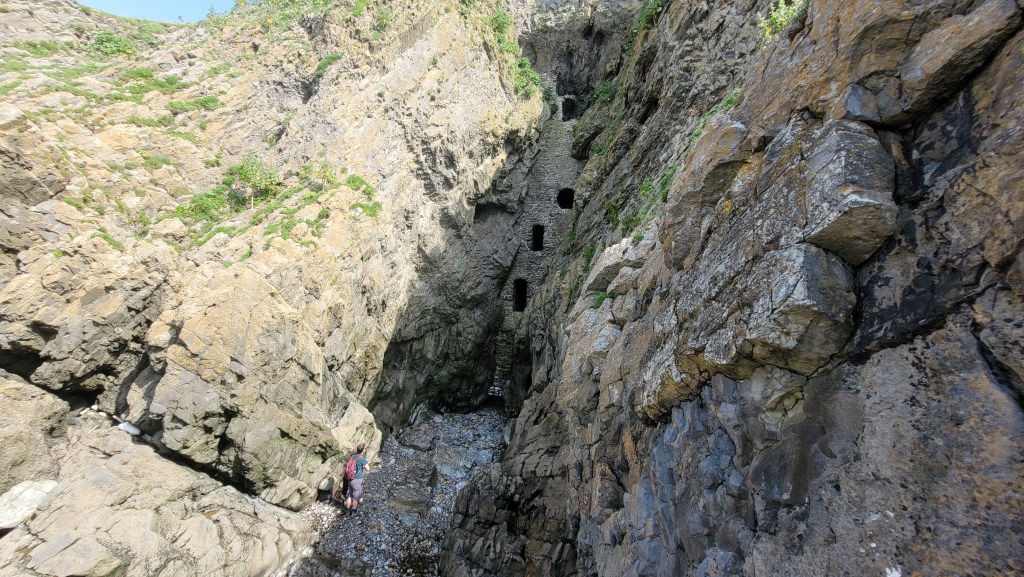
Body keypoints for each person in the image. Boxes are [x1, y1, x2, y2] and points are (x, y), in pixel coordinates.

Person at [344, 443, 370, 514]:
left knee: (350, 493)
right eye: (365, 448)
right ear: (363, 450)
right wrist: (363, 466)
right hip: (357, 479)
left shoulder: (352, 456)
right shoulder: (362, 458)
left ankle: (347, 508)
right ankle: (354, 509)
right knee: (356, 495)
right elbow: (368, 468)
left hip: (349, 477)